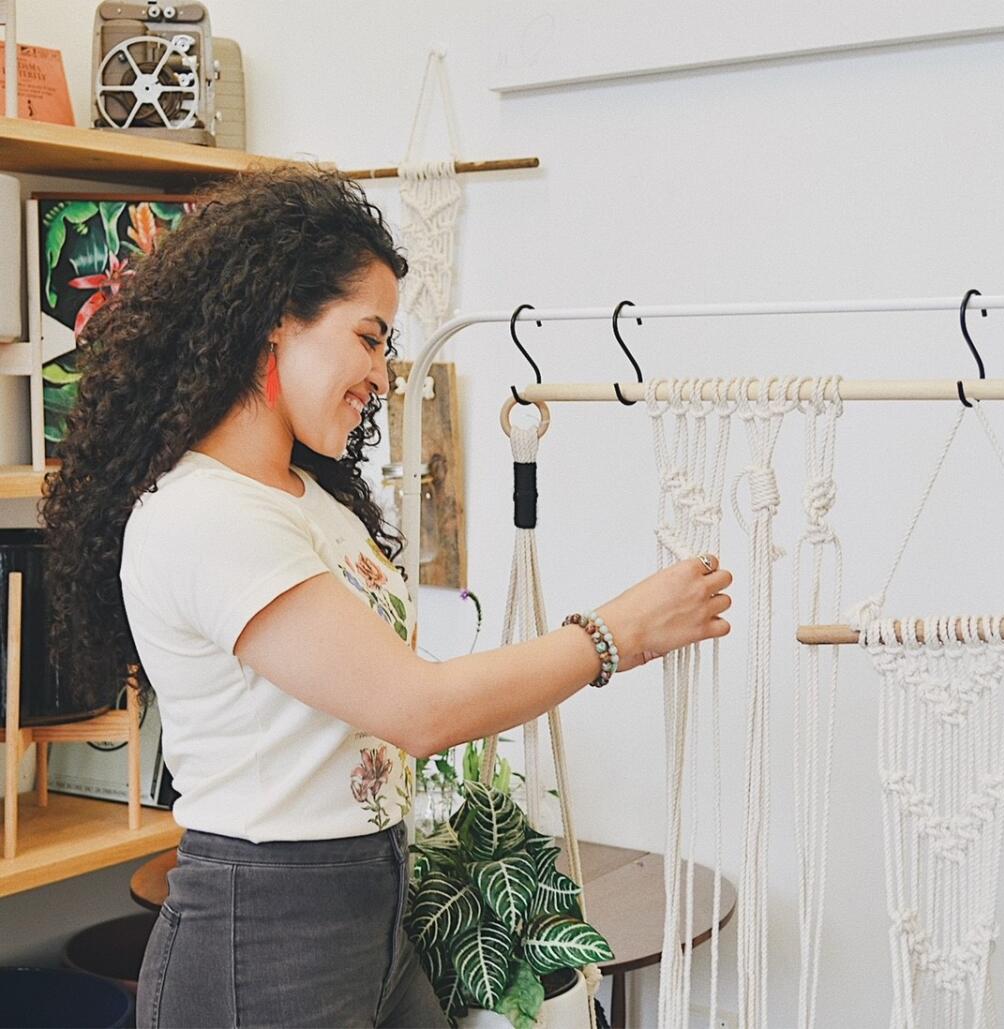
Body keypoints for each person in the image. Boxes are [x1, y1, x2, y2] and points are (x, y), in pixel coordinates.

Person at [40, 167, 733, 1028]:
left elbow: (382, 692)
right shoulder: (204, 515)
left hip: (373, 901)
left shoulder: (311, 501)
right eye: (368, 338)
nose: (382, 371)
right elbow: (415, 707)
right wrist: (616, 633)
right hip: (266, 932)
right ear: (275, 321)